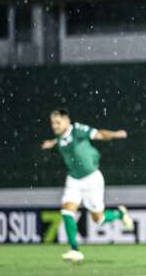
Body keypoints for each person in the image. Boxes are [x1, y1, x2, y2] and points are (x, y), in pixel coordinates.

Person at [41, 109, 133, 262]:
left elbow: (99, 134)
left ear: (67, 120)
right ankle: (75, 250)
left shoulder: (77, 130)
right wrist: (52, 143)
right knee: (67, 211)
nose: (55, 126)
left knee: (99, 219)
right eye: (53, 123)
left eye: (58, 122)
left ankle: (120, 213)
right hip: (74, 179)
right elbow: (61, 141)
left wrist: (115, 134)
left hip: (92, 179)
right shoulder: (59, 136)